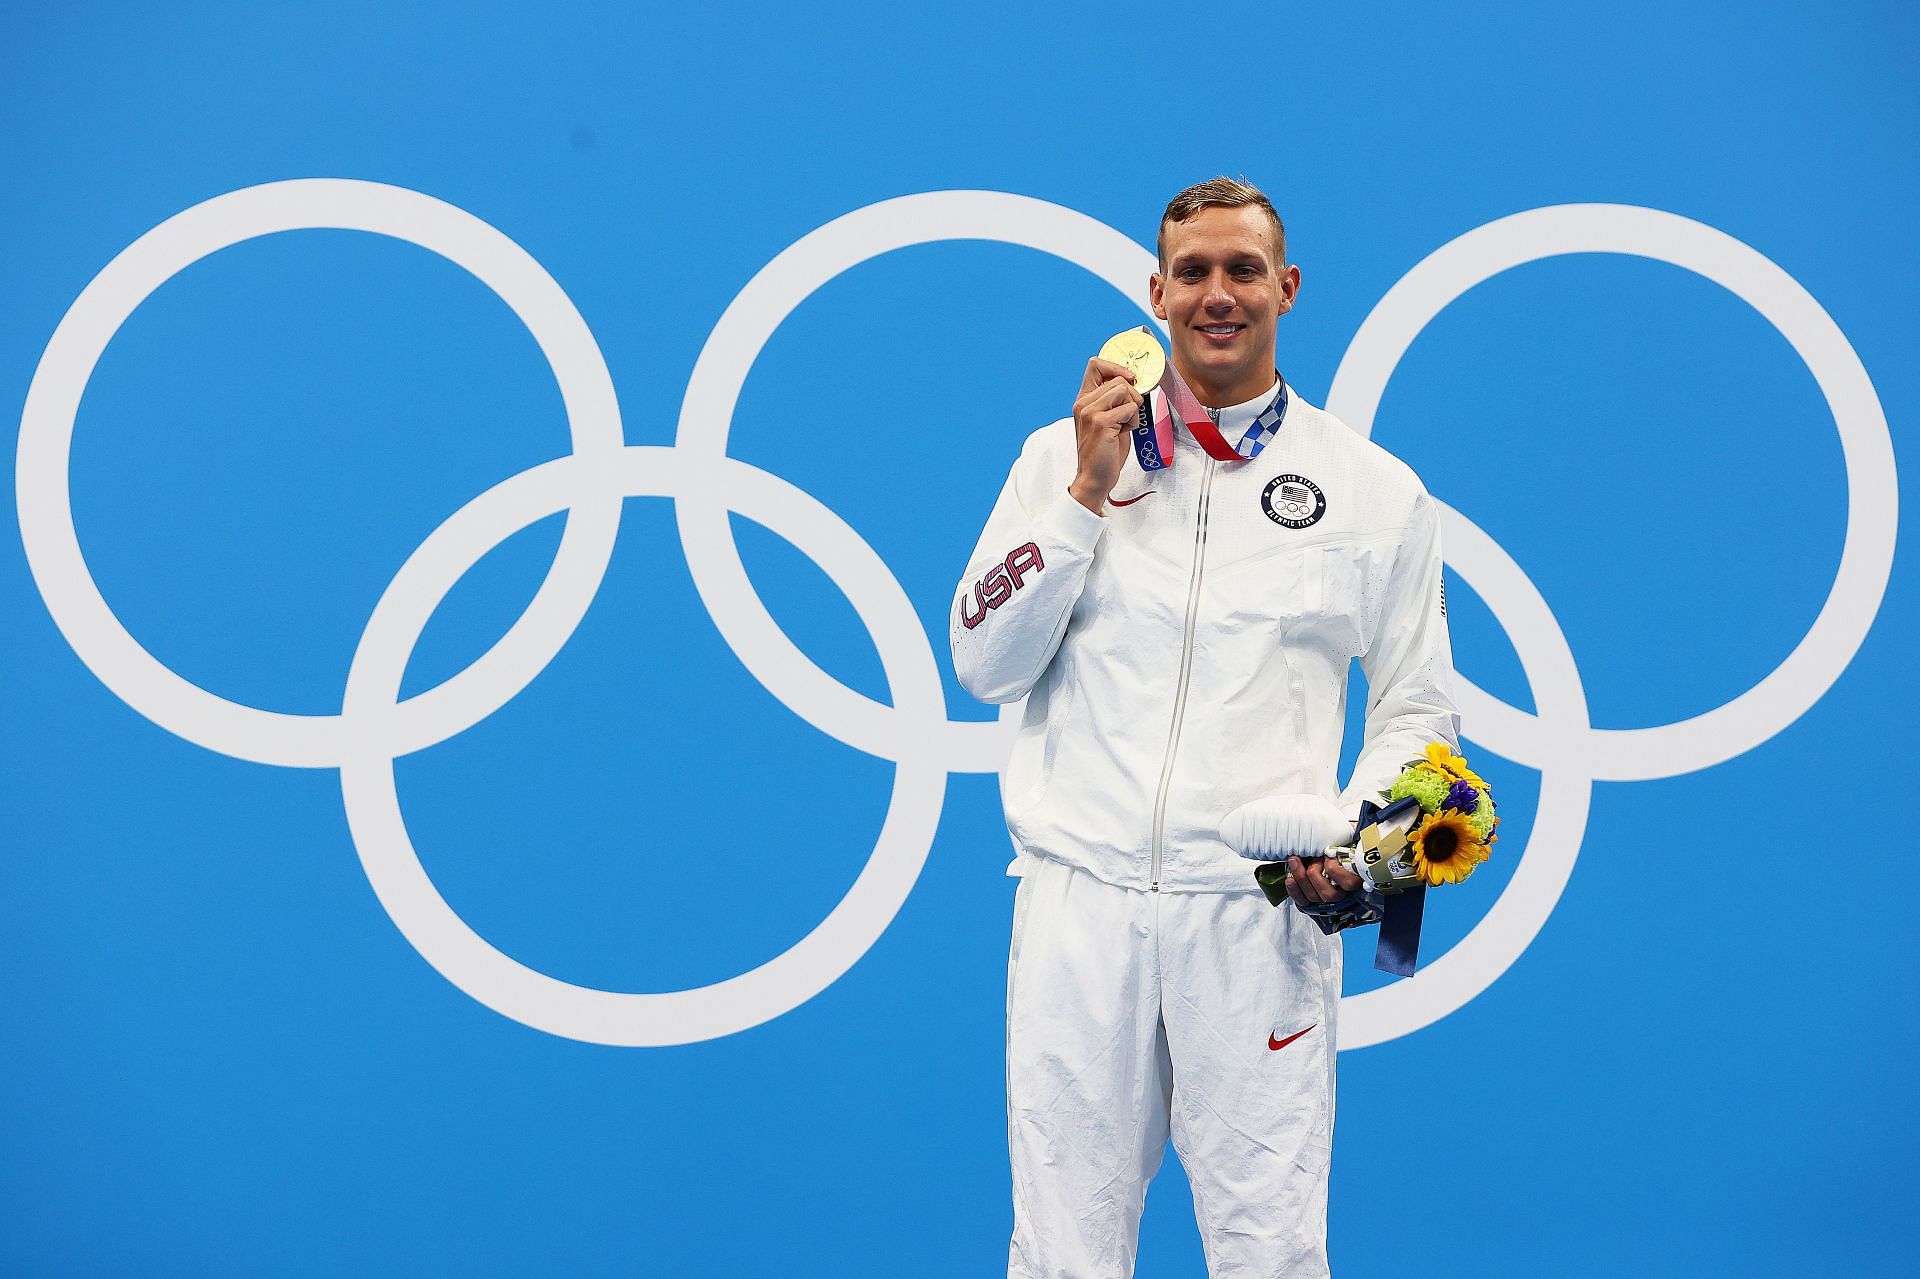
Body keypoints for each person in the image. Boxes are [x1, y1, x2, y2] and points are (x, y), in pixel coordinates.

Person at [949, 176, 1461, 1278]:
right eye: (1192, 273)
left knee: (1270, 1251)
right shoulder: (1061, 458)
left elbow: (1418, 710)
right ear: (1155, 293)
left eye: (1241, 270)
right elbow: (983, 661)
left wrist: (1362, 850)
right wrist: (1084, 496)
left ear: (1288, 286)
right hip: (1080, 906)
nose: (1216, 295)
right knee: (1061, 1254)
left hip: (1256, 916)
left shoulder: (1374, 492)